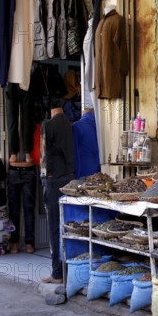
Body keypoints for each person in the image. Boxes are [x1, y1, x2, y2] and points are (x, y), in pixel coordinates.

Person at [40, 100, 74, 284]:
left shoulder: (48, 125)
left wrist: (43, 179)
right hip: (69, 178)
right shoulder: (70, 125)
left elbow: (44, 157)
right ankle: (68, 269)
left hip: (53, 181)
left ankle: (57, 274)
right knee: (68, 225)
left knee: (54, 226)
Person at [72, 107, 100, 179]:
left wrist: (75, 174)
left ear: (83, 114)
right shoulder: (100, 126)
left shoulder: (77, 126)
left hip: (82, 171)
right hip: (98, 171)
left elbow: (75, 151)